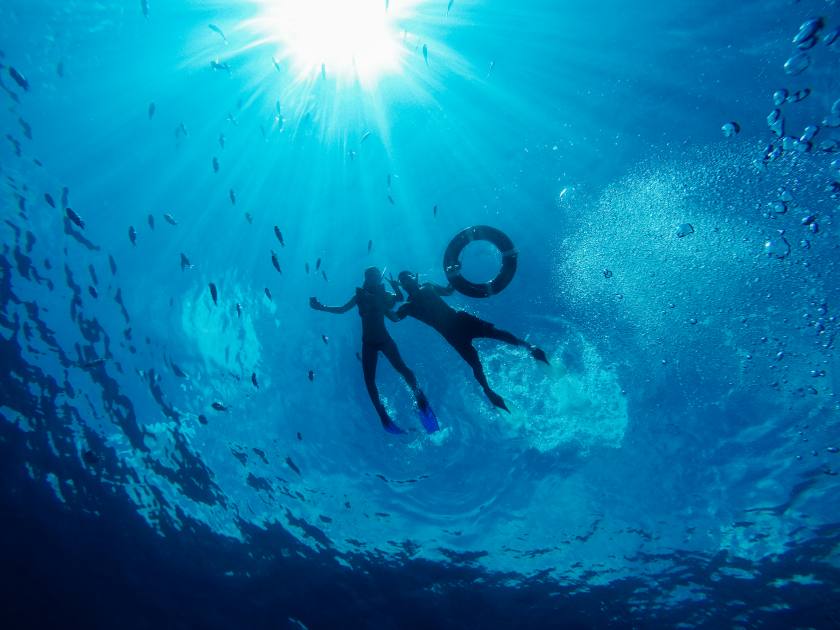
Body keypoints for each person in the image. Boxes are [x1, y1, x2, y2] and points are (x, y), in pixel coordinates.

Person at [390, 271, 549, 412]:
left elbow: (448, 291)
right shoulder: (407, 306)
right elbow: (395, 318)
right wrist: (384, 300)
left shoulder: (428, 286)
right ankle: (489, 392)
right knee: (475, 363)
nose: (407, 280)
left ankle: (531, 348)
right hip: (451, 334)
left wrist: (453, 275)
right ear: (402, 285)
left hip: (461, 319)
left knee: (496, 333)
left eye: (408, 276)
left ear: (414, 277)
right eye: (403, 280)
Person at [310, 267, 432, 434]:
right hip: (368, 343)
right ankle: (382, 414)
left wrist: (396, 287)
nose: (372, 279)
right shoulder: (359, 297)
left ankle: (421, 399)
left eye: (375, 276)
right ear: (366, 279)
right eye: (369, 276)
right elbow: (341, 309)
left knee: (402, 368)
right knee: (369, 380)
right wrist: (321, 307)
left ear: (377, 279)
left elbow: (399, 299)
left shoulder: (383, 295)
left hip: (384, 340)